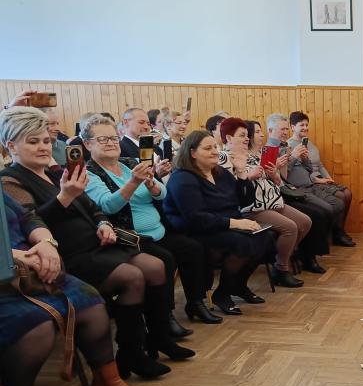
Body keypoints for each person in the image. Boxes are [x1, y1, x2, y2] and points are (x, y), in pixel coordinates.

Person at [0, 106, 178, 380]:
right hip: (69, 252)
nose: (43, 147)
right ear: (12, 146)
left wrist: (103, 223)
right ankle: (131, 352)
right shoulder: (10, 180)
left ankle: (155, 339)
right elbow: (32, 222)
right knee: (132, 277)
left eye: (46, 140)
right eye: (33, 142)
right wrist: (64, 197)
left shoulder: (56, 171)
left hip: (95, 241)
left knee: (156, 266)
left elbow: (93, 206)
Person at [1, 192, 155, 386]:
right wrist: (18, 256)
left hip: (34, 268)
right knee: (36, 328)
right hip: (8, 277)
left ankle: (108, 382)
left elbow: (28, 217)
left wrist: (46, 243)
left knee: (92, 304)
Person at [83, 114, 219, 335]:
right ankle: (165, 316)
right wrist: (134, 182)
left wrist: (152, 186)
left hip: (157, 231)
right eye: (102, 139)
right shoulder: (90, 173)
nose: (110, 143)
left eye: (113, 138)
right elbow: (108, 205)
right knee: (164, 259)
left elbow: (161, 193)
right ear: (88, 144)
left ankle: (196, 302)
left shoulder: (129, 163)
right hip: (130, 237)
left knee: (193, 248)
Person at [163, 130, 272, 316]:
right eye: (208, 148)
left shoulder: (220, 173)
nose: (215, 151)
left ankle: (238, 285)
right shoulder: (182, 178)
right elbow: (196, 218)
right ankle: (223, 293)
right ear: (192, 152)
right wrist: (236, 223)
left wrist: (241, 173)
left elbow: (245, 201)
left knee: (265, 237)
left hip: (223, 224)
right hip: (196, 230)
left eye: (215, 147)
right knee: (242, 243)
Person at [218, 118, 311, 288]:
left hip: (272, 200)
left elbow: (277, 181)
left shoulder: (253, 155)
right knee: (290, 228)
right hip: (253, 207)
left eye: (247, 135)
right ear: (229, 138)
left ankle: (282, 256)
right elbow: (229, 188)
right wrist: (248, 176)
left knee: (305, 222)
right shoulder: (224, 157)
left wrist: (274, 174)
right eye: (242, 135)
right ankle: (281, 269)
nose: (247, 138)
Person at [266, 113, 331, 274]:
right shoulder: (269, 149)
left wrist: (302, 158)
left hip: (290, 190)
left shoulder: (285, 146)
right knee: (316, 214)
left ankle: (306, 254)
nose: (285, 132)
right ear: (270, 131)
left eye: (285, 129)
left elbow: (295, 173)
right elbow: (281, 179)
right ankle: (306, 257)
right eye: (282, 129)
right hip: (281, 195)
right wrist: (292, 158)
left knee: (322, 212)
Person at [287, 111, 355, 247]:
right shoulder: (289, 146)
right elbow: (301, 171)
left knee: (347, 193)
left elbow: (320, 164)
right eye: (301, 125)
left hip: (320, 178)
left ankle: (339, 230)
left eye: (307, 125)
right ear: (293, 127)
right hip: (312, 181)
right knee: (340, 197)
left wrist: (328, 177)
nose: (305, 127)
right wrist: (317, 180)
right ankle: (337, 233)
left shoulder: (310, 144)